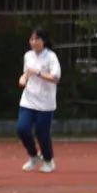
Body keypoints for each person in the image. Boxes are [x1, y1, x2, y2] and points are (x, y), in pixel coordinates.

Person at [17, 27, 61, 173]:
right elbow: (26, 73)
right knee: (22, 129)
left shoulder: (51, 57)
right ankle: (33, 156)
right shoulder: (28, 56)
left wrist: (38, 73)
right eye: (31, 39)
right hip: (28, 100)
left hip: (45, 103)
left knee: (42, 134)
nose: (33, 42)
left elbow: (55, 78)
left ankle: (48, 160)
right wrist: (23, 79)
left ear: (44, 41)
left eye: (37, 39)